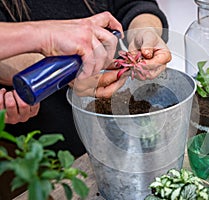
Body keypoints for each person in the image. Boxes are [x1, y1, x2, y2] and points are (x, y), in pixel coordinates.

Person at [0, 1, 170, 198]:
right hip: (37, 147)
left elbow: (135, 4)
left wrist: (146, 32)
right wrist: (59, 63)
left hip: (110, 131)